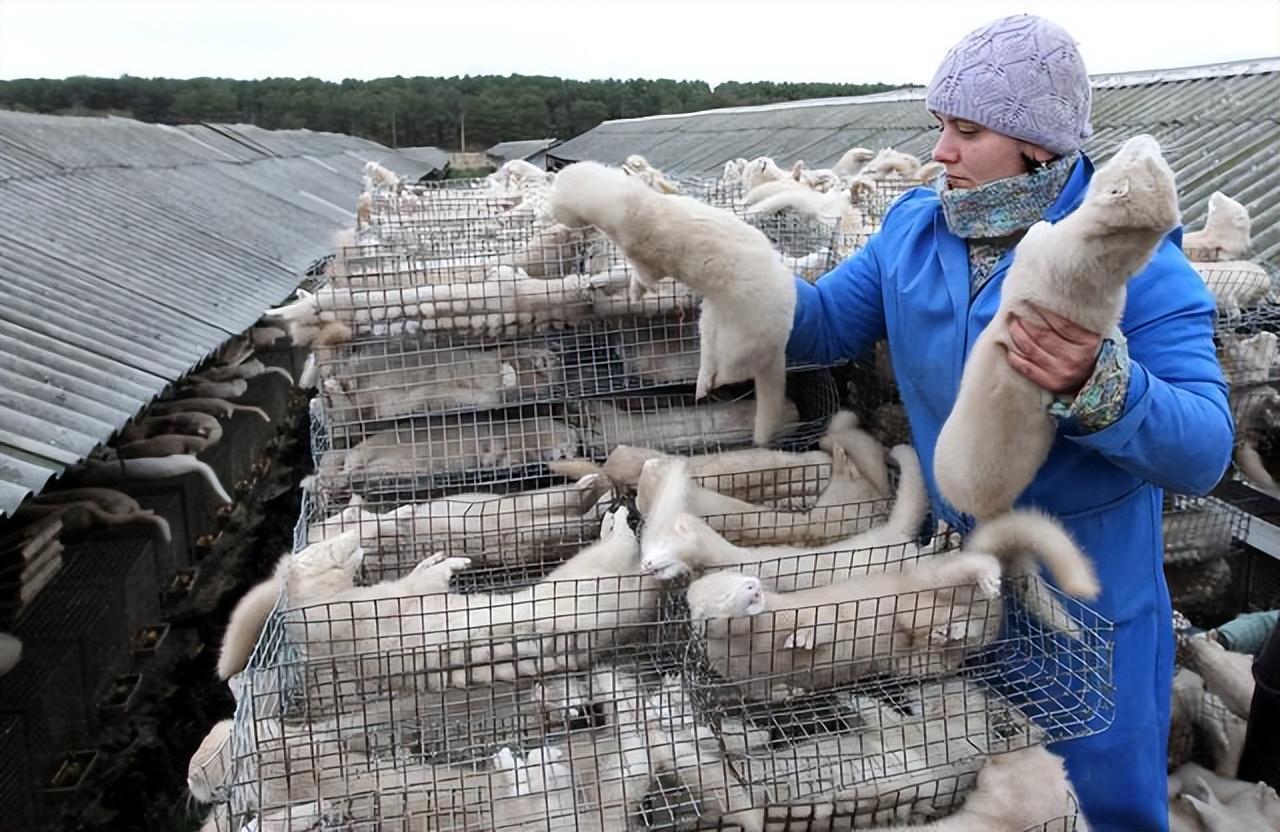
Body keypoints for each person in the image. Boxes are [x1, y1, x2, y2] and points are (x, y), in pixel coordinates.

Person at [786, 14, 1233, 832]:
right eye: (939, 128)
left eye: (966, 131)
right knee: (985, 801)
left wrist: (1102, 386)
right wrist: (705, 260)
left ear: (1035, 144)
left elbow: (1204, 449)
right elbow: (816, 326)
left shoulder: (1135, 265)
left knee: (1097, 809)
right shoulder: (913, 232)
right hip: (963, 592)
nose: (941, 154)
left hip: (1086, 607)